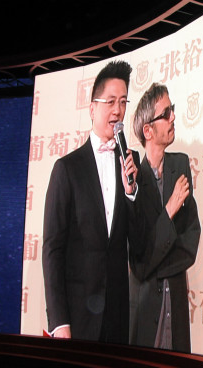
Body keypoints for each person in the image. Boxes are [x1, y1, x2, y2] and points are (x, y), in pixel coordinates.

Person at [42, 60, 144, 343]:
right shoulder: (67, 169)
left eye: (123, 102)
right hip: (76, 320)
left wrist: (131, 193)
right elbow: (52, 250)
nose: (118, 110)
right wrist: (59, 322)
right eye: (110, 101)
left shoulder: (131, 165)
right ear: (91, 109)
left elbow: (139, 247)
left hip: (116, 320)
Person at [129, 82, 201, 353]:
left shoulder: (180, 165)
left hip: (177, 305)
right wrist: (170, 209)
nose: (173, 117)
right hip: (146, 309)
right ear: (148, 131)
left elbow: (190, 239)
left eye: (172, 110)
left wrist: (154, 262)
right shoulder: (134, 181)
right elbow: (138, 261)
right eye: (166, 113)